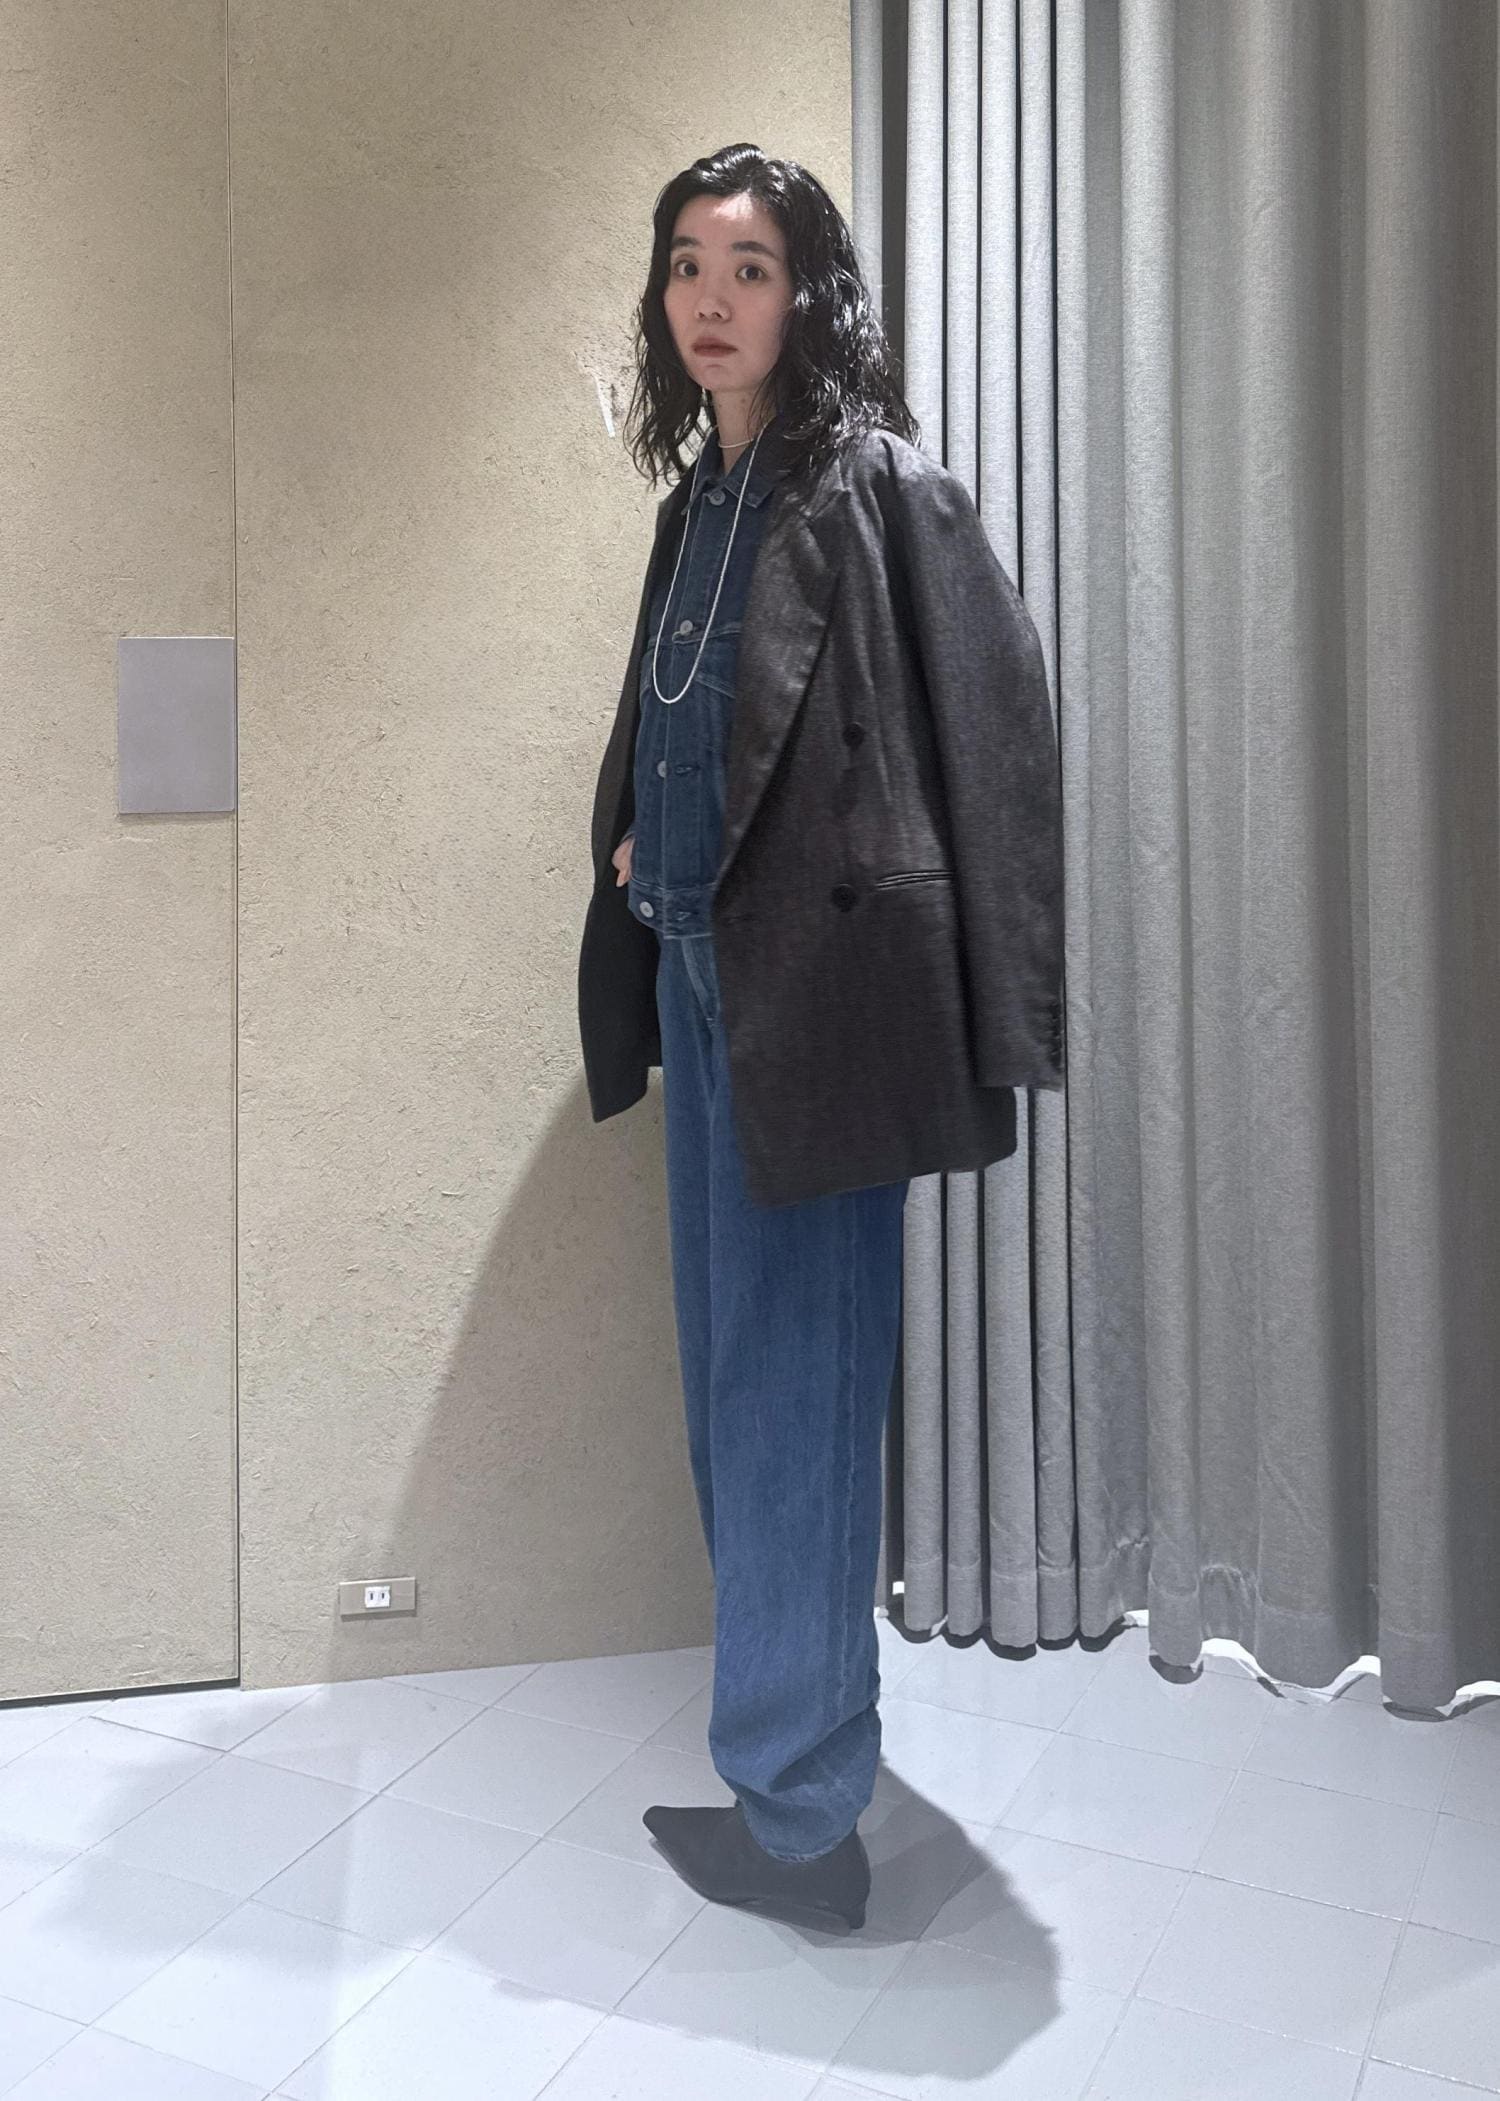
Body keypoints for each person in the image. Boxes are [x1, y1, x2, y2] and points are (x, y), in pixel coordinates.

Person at [577, 144, 1065, 1934]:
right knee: (739, 1384)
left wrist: (1006, 1016)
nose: (711, 299)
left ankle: (801, 1826)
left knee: (795, 1393)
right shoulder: (697, 505)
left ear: (811, 296)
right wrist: (645, 838)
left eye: (752, 267)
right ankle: (792, 1767)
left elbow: (1000, 741)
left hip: (817, 992)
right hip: (693, 965)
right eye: (686, 264)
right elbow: (704, 719)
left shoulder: (875, 488)